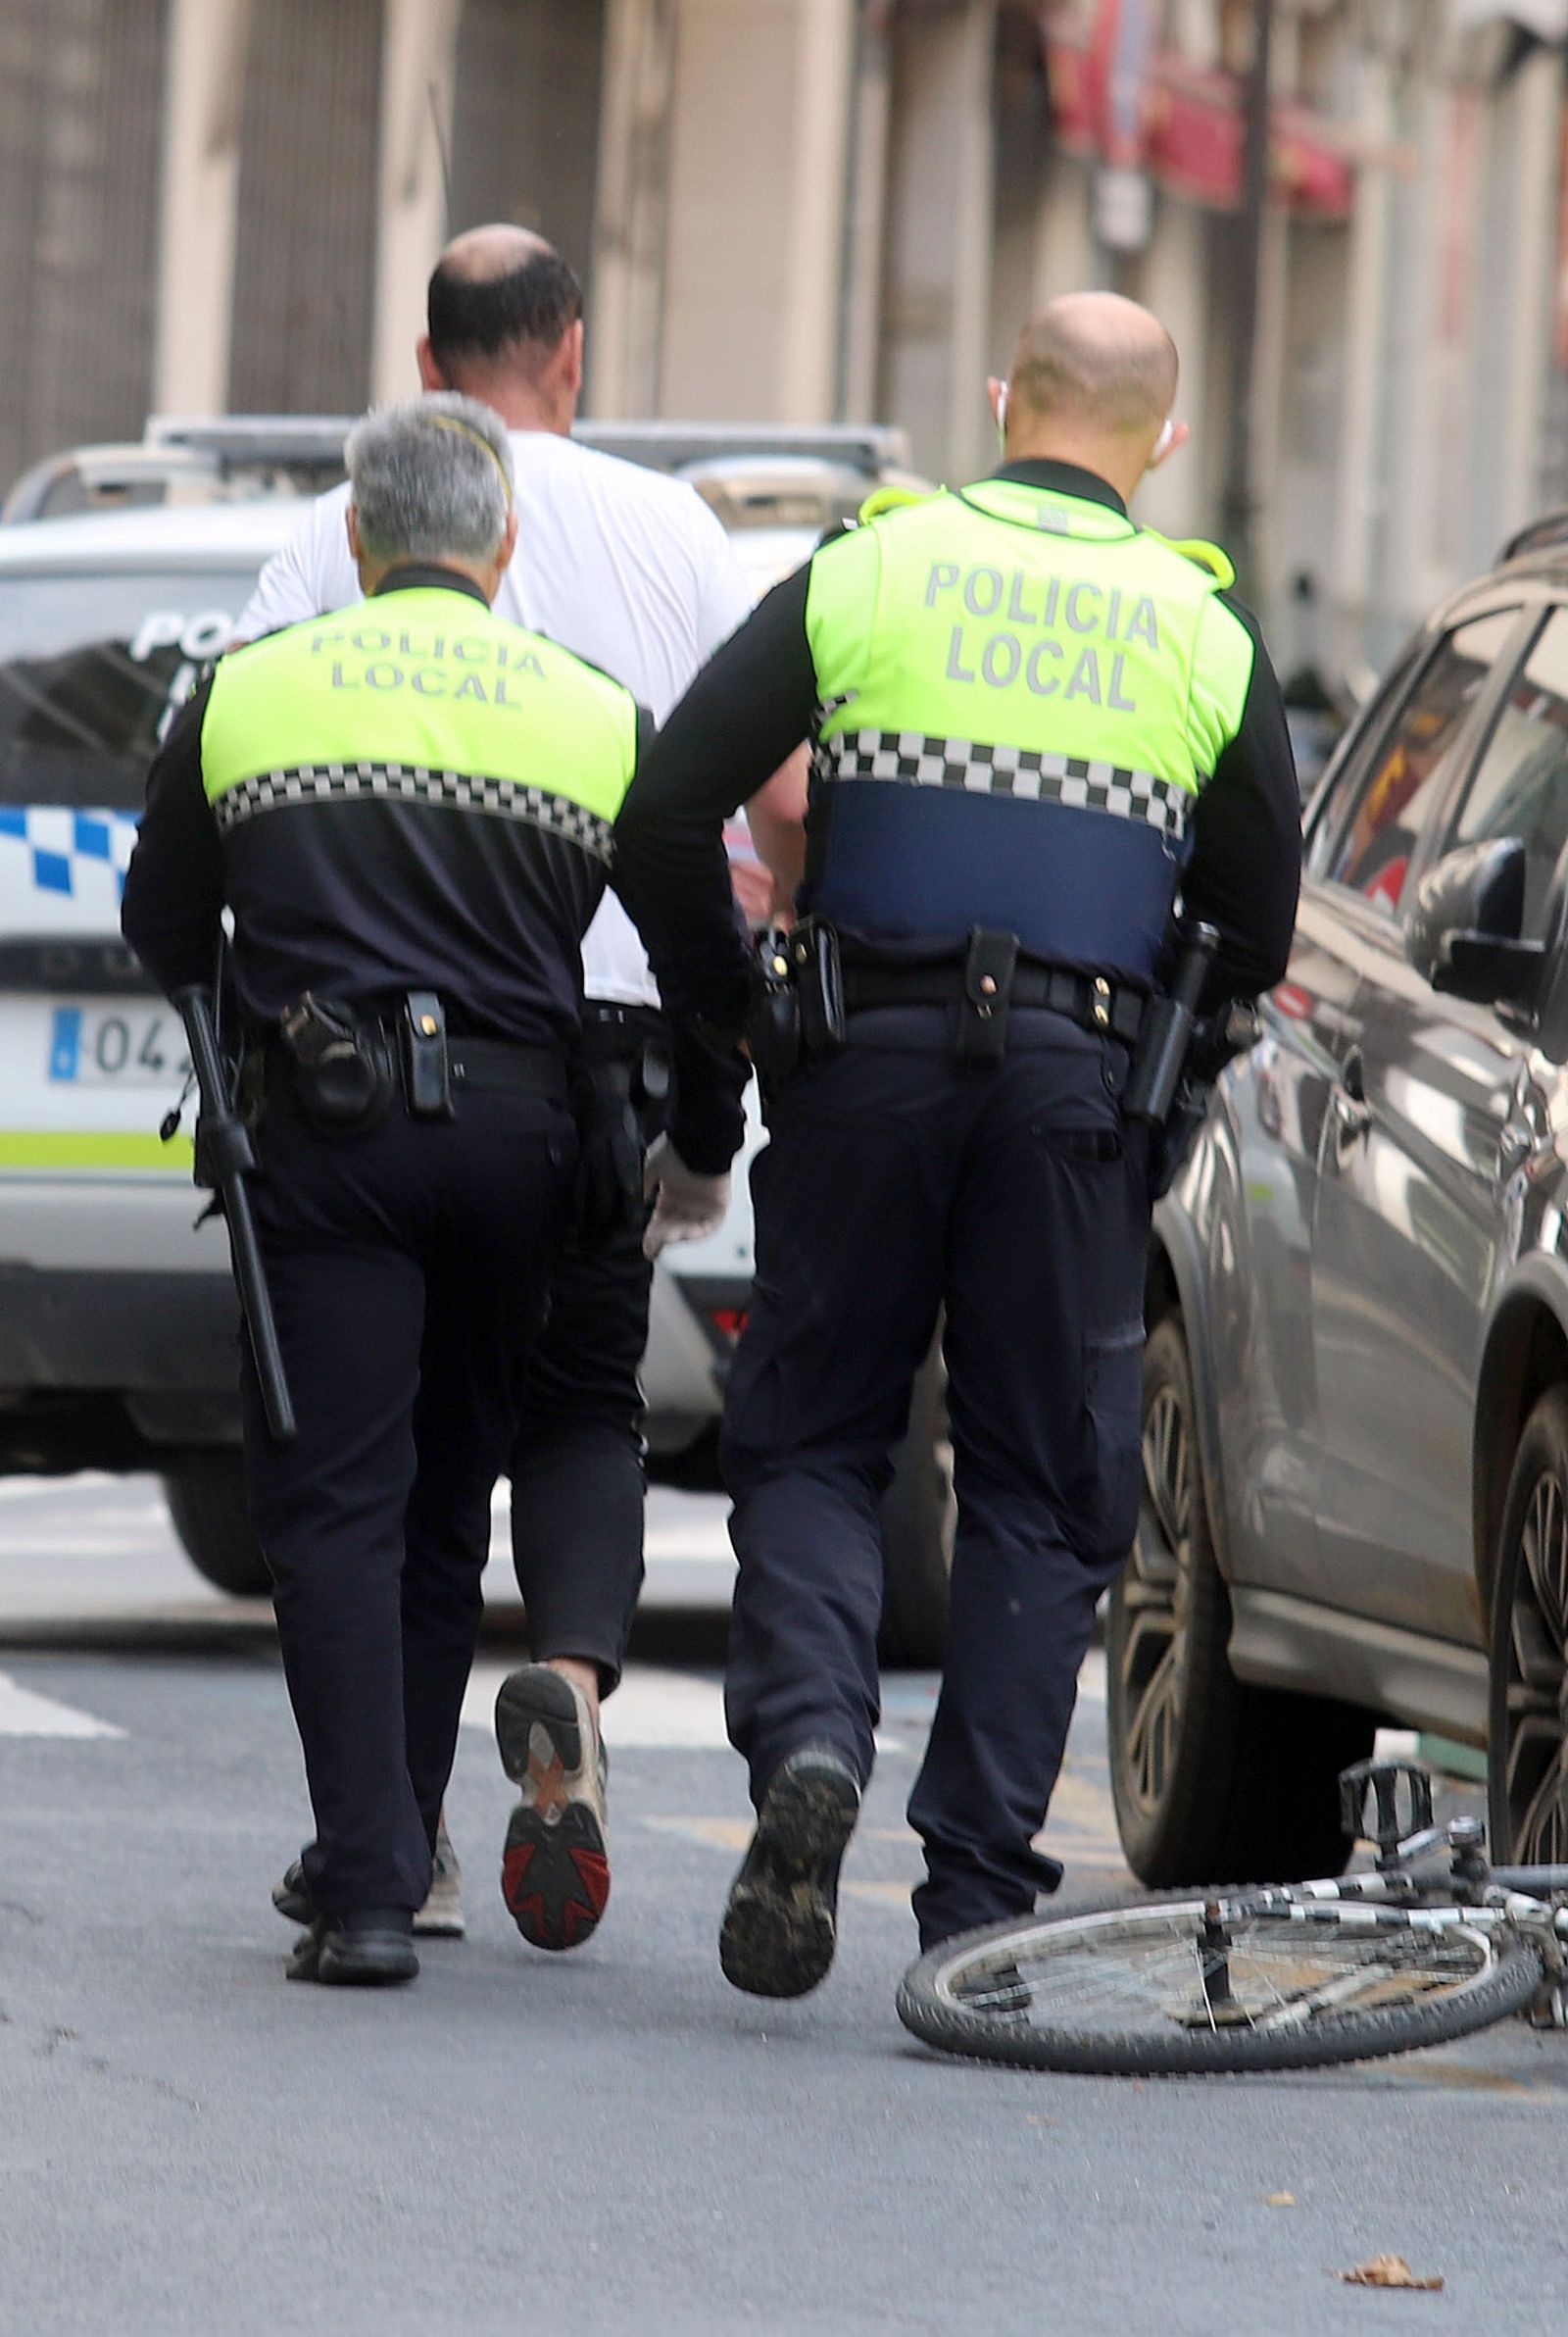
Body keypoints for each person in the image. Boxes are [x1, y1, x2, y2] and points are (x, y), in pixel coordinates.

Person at [615, 291, 1303, 1996]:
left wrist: (739, 1021)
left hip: (860, 1059)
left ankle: (807, 1754)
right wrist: (1162, 1072)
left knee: (816, 1437)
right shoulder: (1204, 637)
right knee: (1040, 1490)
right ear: (1169, 438)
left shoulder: (872, 567)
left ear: (1004, 403)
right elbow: (1261, 920)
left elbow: (662, 805)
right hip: (1073, 1093)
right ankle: (978, 1896)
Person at [121, 395, 747, 1986]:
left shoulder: (246, 695)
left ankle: (371, 1881)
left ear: (353, 536)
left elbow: (159, 922)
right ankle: (389, 1837)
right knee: (446, 1498)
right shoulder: (594, 712)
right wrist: (708, 1129)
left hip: (326, 1145)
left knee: (331, 1503)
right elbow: (696, 957)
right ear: (504, 542)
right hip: (525, 1147)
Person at [238, 224, 803, 1951]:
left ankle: (386, 1841)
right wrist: (727, 1081)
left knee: (385, 1465)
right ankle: (561, 1684)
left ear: (429, 364)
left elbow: (225, 778)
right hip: (603, 1063)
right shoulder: (673, 529)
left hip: (366, 1075)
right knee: (581, 1406)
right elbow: (770, 800)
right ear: (573, 350)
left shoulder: (329, 542)